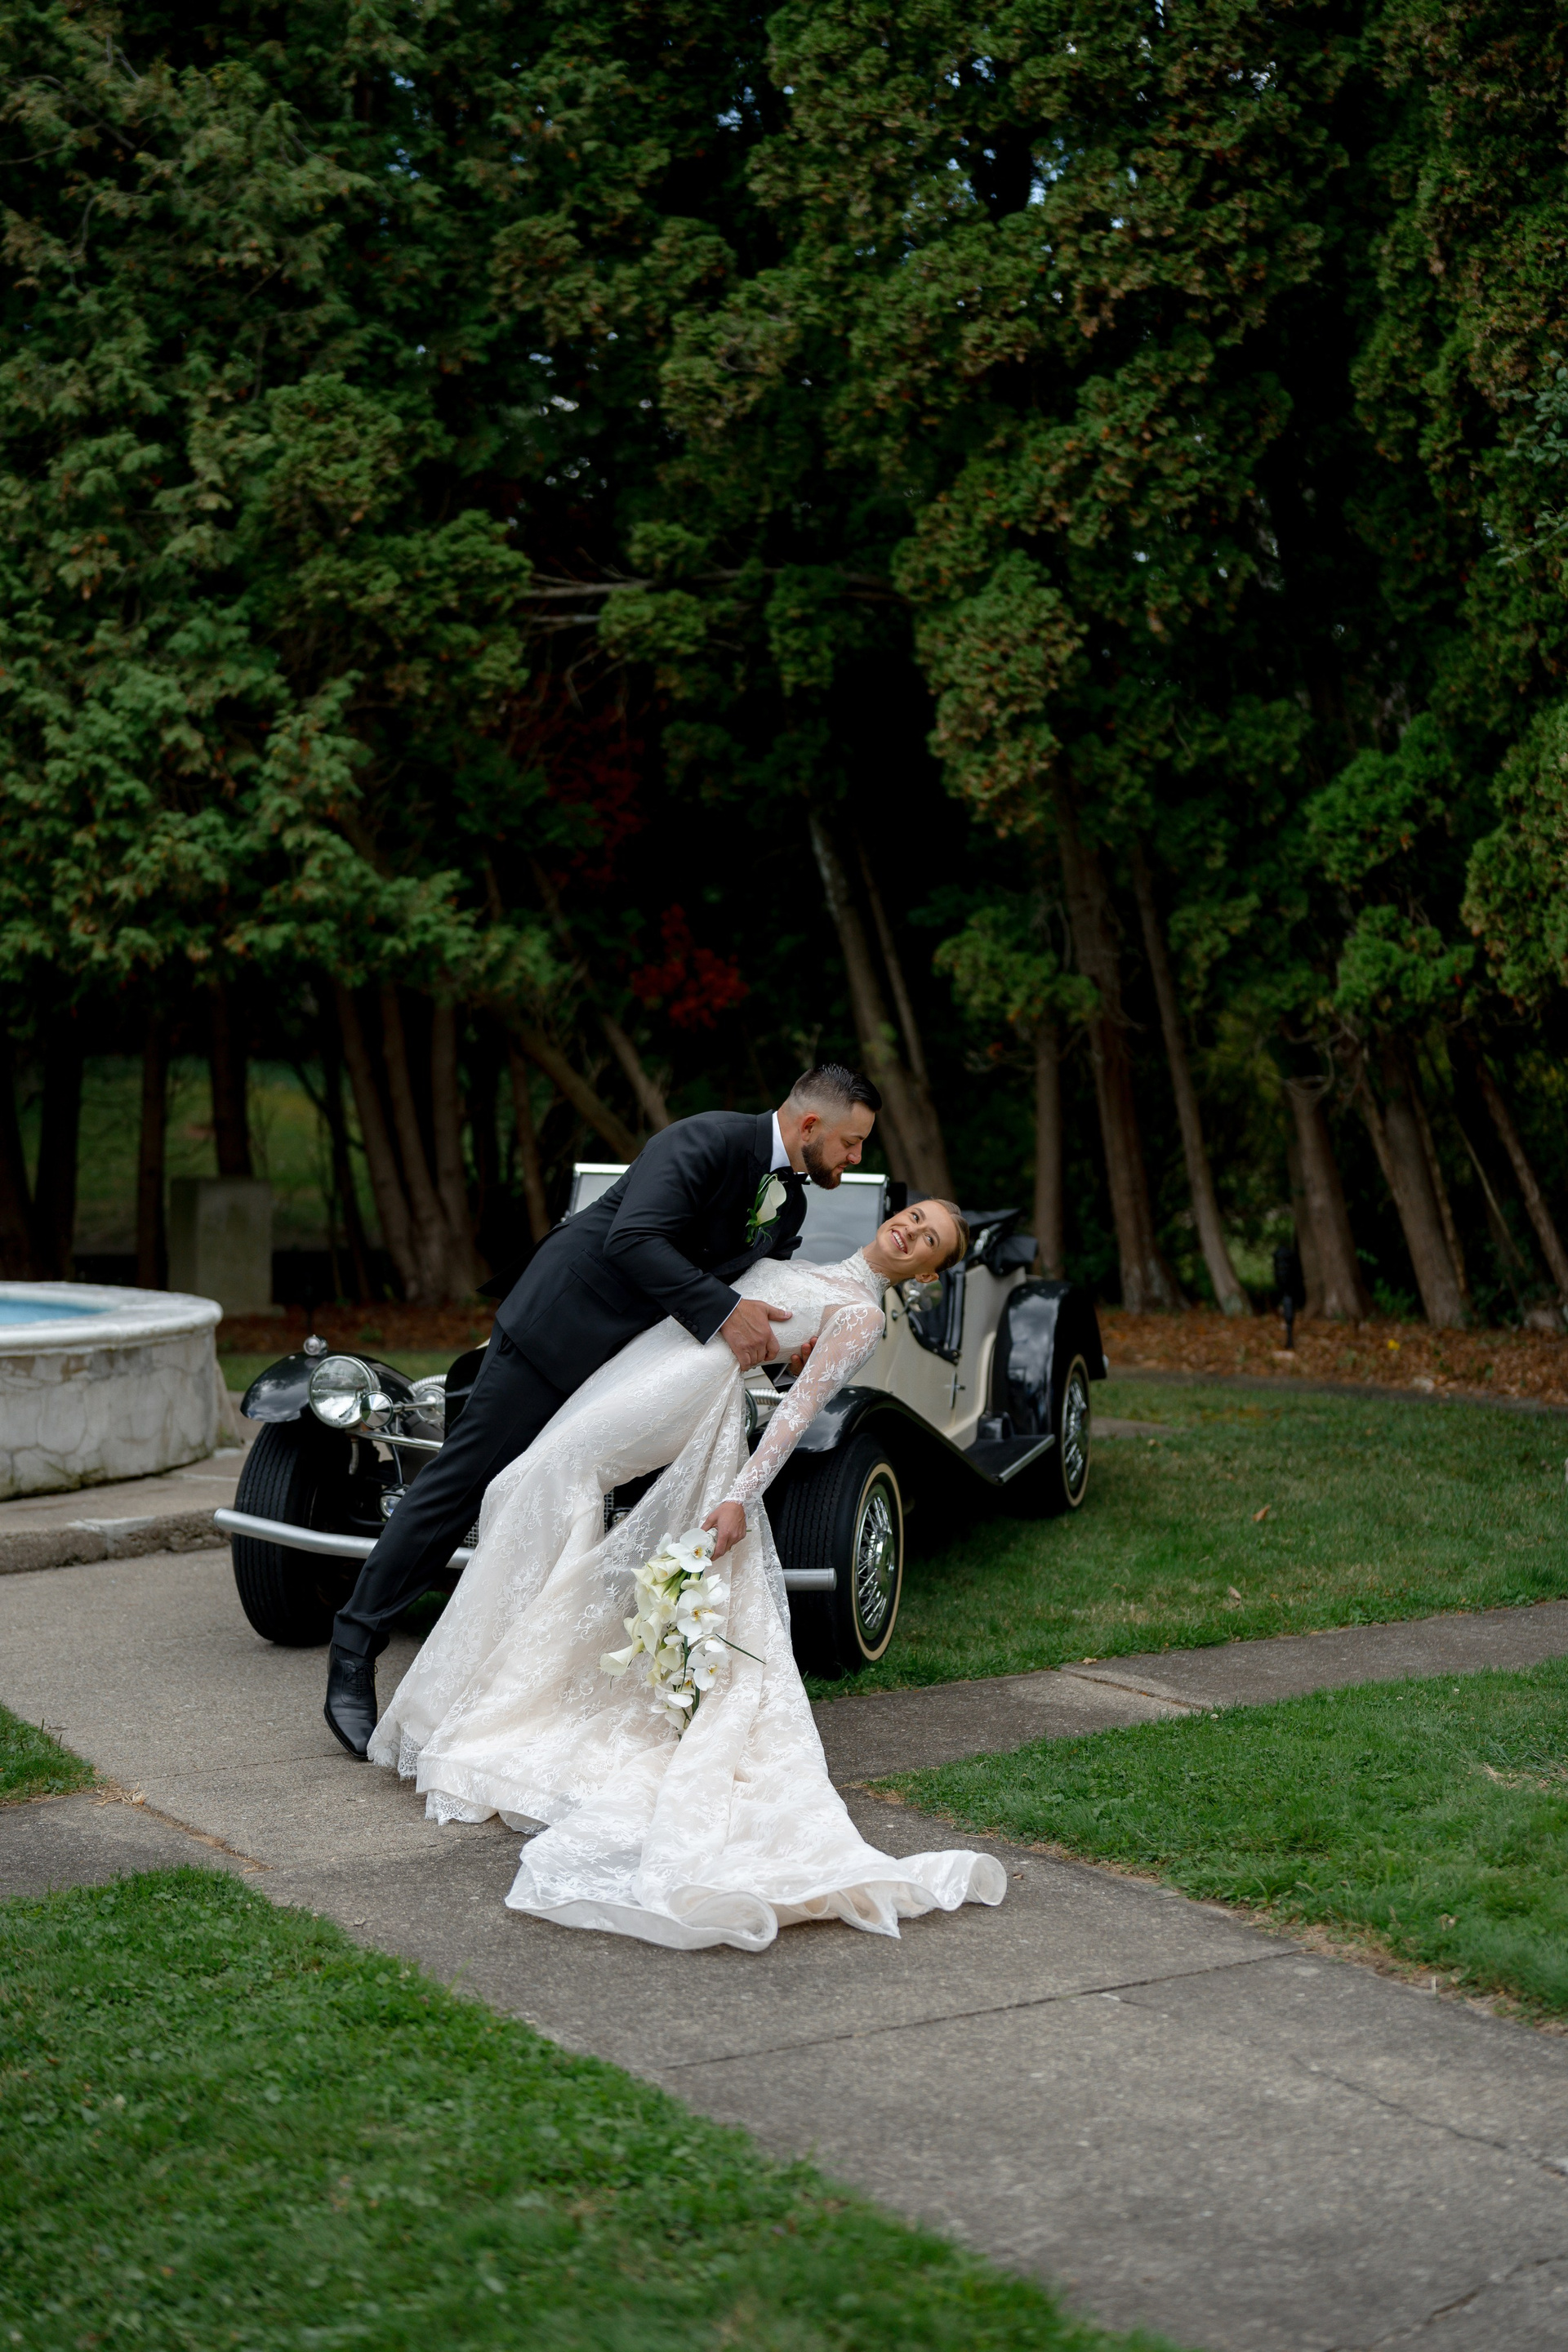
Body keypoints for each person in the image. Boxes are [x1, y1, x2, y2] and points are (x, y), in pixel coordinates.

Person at [366, 1185, 1006, 1952]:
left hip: (684, 1387)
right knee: (524, 1484)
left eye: (929, 1239)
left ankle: (494, 1690)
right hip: (649, 1357)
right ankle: (500, 1678)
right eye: (914, 1217)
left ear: (928, 1273)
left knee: (538, 1481)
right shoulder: (800, 1261)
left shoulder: (862, 1315)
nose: (911, 1230)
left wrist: (739, 1498)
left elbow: (797, 1412)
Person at [323, 1065, 880, 1755]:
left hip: (628, 1370)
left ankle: (505, 1684)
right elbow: (634, 1239)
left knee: (566, 1504)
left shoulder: (788, 1207)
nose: (856, 1158)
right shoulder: (703, 1141)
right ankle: (354, 1648)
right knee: (457, 1487)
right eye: (852, 1143)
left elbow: (746, 1299)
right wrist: (725, 1311)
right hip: (557, 1331)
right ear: (810, 1125)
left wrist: (778, 1357)